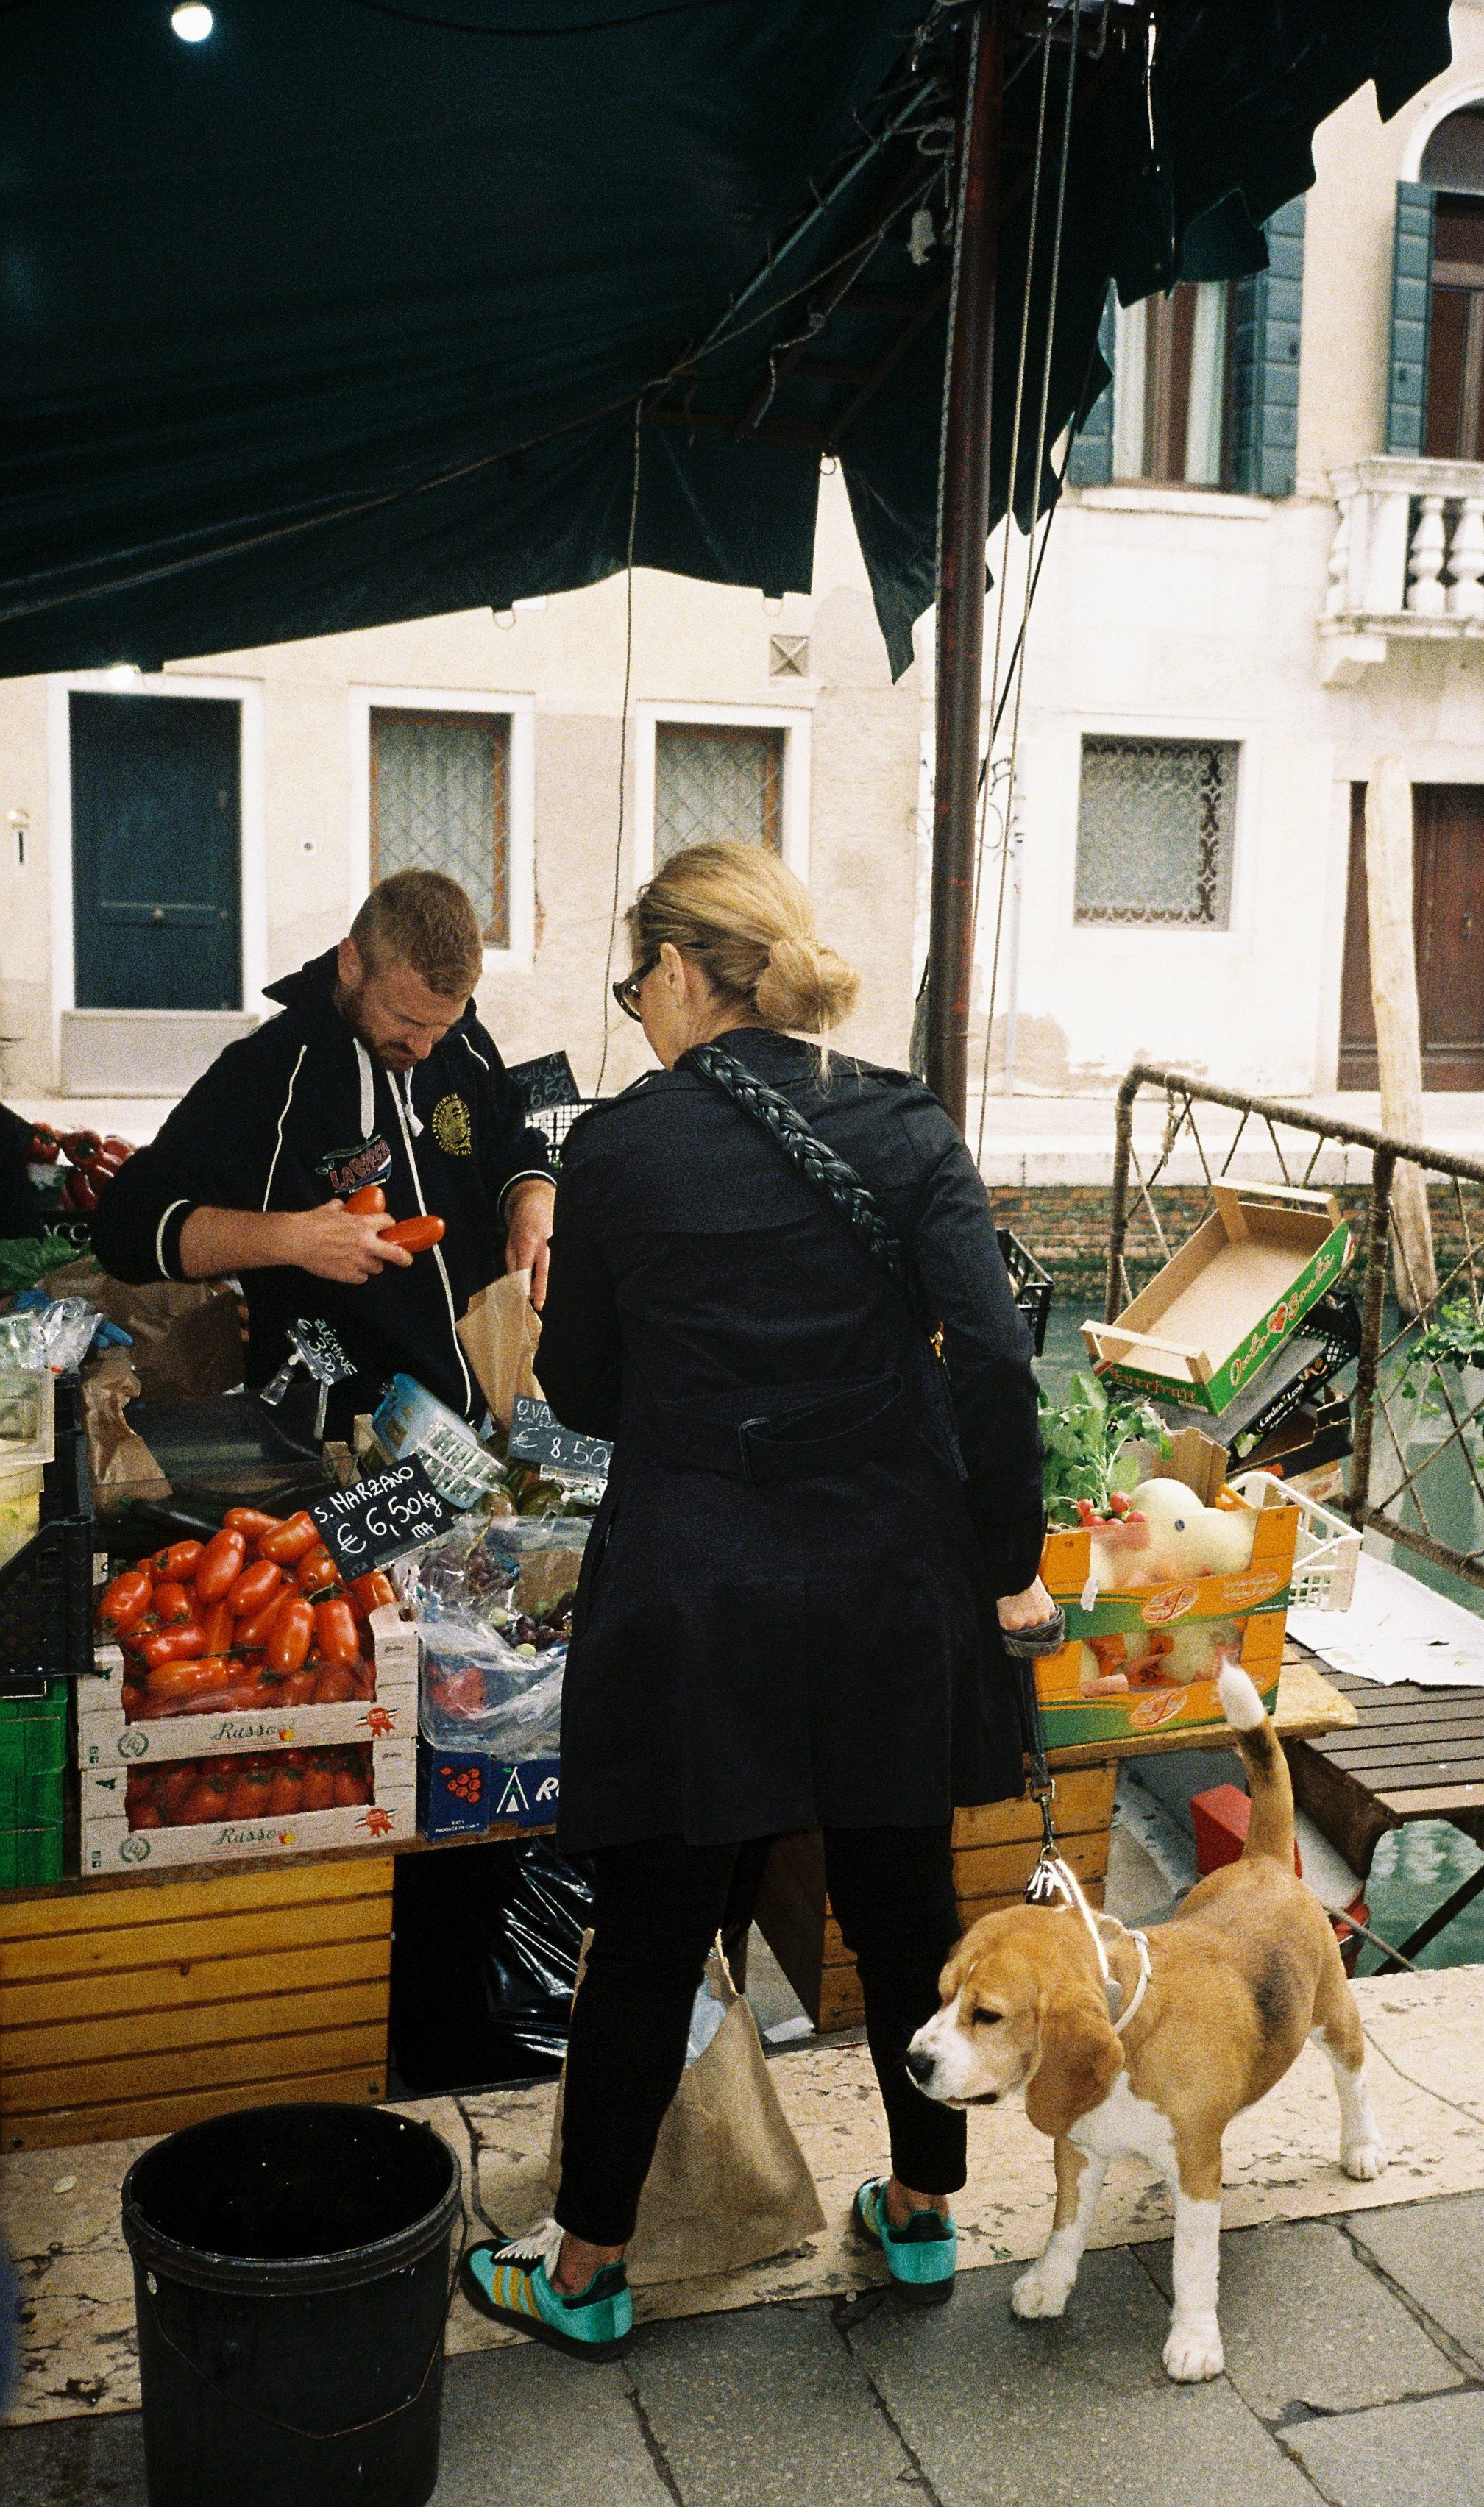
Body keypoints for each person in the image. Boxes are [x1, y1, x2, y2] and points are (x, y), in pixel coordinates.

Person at [461, 841, 1051, 2356]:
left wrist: (568, 1312)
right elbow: (992, 1361)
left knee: (652, 1924)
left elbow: (582, 1394)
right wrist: (1006, 1567)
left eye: (632, 984)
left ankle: (588, 2268)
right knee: (903, 1897)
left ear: (673, 972)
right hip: (884, 1574)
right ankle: (922, 2222)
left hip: (698, 1583)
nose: (634, 1011)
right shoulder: (905, 1118)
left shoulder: (619, 1149)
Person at [91, 870, 555, 1422]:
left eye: (443, 1025)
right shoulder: (266, 1074)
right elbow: (127, 1225)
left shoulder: (461, 1043)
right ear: (351, 963)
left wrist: (532, 1202)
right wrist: (292, 1237)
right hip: (338, 1440)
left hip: (485, 1415)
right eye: (405, 1020)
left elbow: (512, 1146)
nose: (425, 1048)